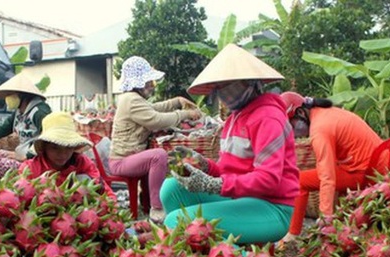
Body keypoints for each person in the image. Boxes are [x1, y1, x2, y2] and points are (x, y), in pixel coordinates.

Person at [159, 44, 299, 245]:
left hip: (271, 207)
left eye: (227, 85)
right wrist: (205, 165)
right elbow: (229, 173)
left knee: (176, 222)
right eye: (218, 87)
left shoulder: (268, 118)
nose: (222, 93)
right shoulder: (236, 117)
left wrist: (214, 184)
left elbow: (268, 179)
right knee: (172, 188)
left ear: (250, 82)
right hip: (240, 199)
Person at [280, 91, 384, 242]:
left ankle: (292, 233)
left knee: (300, 180)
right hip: (376, 165)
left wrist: (325, 216)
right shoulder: (328, 113)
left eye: (291, 124)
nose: (292, 131)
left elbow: (327, 177)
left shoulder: (319, 130)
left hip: (365, 172)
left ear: (301, 112)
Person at [109, 56, 202, 223]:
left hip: (129, 157)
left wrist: (177, 102)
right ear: (138, 82)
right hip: (121, 161)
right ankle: (156, 208)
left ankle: (148, 204)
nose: (152, 86)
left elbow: (154, 108)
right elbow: (155, 120)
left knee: (156, 156)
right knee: (158, 156)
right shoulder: (130, 100)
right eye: (148, 82)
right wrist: (185, 114)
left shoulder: (133, 99)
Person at [0, 72, 52, 178]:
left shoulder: (39, 112)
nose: (7, 98)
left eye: (10, 95)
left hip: (34, 161)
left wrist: (27, 156)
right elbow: (1, 130)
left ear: (23, 95)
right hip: (21, 155)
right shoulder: (19, 112)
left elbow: (49, 137)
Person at [19, 112, 115, 199]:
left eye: (68, 147)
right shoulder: (29, 169)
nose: (63, 154)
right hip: (41, 216)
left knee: (84, 179)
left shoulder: (82, 163)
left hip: (78, 214)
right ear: (44, 147)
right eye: (54, 147)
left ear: (74, 147)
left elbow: (107, 194)